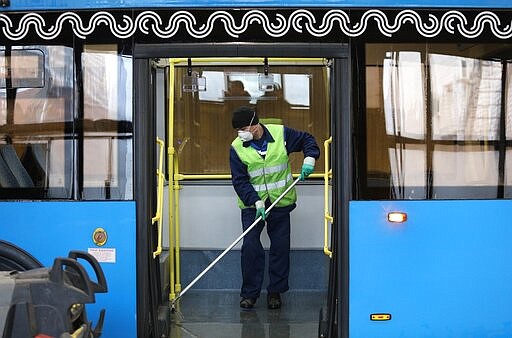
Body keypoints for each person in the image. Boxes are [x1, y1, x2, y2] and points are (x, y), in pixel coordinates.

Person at [229, 106, 320, 310]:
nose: (240, 133)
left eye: (243, 128)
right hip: (253, 207)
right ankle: (249, 294)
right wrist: (256, 201)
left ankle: (275, 292)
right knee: (251, 247)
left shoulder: (281, 134)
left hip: (280, 202)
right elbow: (240, 181)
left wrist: (310, 158)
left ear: (254, 125)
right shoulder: (237, 147)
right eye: (238, 130)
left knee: (280, 247)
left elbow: (308, 139)